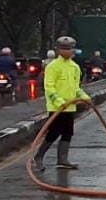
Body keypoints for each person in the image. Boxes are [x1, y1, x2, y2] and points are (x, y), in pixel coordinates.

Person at [32, 36, 92, 171]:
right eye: (63, 48)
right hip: (56, 108)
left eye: (69, 48)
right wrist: (59, 102)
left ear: (73, 50)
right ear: (58, 50)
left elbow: (76, 88)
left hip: (70, 107)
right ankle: (38, 157)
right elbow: (49, 87)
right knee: (53, 133)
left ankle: (62, 160)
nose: (66, 51)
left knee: (68, 132)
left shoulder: (75, 67)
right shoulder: (52, 67)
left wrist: (85, 97)